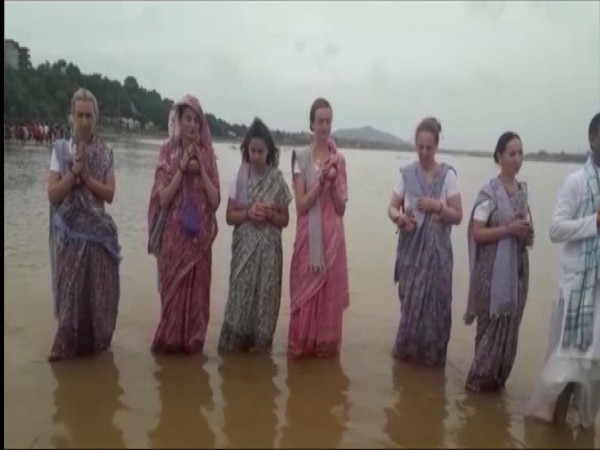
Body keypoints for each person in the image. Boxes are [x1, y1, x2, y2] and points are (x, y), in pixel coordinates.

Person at [526, 112, 600, 429]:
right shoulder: (576, 182)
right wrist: (593, 223)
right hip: (575, 293)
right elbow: (555, 230)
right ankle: (549, 428)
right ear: (592, 139)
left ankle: (582, 430)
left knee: (593, 373)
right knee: (565, 370)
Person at [47, 87, 120, 361]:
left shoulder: (106, 151)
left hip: (99, 239)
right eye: (80, 115)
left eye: (89, 115)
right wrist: (73, 173)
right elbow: (53, 193)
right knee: (69, 303)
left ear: (96, 117)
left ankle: (94, 357)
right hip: (71, 238)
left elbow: (110, 194)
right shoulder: (60, 150)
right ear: (72, 117)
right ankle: (66, 361)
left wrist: (87, 178)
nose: (85, 121)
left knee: (98, 303)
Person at [147, 94, 221, 354]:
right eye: (187, 119)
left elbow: (216, 201)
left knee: (198, 306)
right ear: (178, 121)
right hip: (174, 244)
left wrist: (200, 168)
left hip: (200, 246)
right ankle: (170, 369)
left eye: (196, 121)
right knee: (172, 303)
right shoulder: (167, 151)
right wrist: (180, 168)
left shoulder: (208, 155)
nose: (192, 125)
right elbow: (163, 198)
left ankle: (192, 352)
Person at [387, 117, 463, 366]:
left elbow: (458, 215)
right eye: (420, 147)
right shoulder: (407, 174)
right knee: (410, 307)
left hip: (438, 256)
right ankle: (406, 365)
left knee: (437, 309)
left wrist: (437, 206)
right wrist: (399, 218)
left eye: (429, 147)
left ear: (436, 145)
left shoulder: (447, 176)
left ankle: (432, 360)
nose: (424, 152)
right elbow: (392, 207)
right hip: (411, 253)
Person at [463, 132, 534, 391]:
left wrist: (525, 230)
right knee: (489, 334)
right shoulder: (489, 193)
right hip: (491, 276)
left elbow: (525, 231)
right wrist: (508, 230)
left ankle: (497, 383)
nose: (517, 159)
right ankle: (477, 390)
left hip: (516, 272)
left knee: (509, 330)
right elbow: (477, 232)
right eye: (512, 154)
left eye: (520, 153)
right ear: (499, 157)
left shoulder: (522, 192)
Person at [218, 117, 292, 353]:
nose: (257, 156)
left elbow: (285, 221)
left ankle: (261, 351)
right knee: (240, 302)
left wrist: (271, 214)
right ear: (246, 150)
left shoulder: (278, 180)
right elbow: (229, 216)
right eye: (253, 151)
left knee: (265, 303)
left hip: (269, 257)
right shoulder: (239, 176)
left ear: (269, 151)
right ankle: (235, 359)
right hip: (244, 255)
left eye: (261, 151)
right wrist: (249, 213)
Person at [288, 97, 349, 358]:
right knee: (304, 297)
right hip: (308, 240)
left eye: (328, 121)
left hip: (332, 240)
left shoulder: (339, 161)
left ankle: (325, 350)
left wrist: (332, 182)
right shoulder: (301, 158)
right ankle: (302, 353)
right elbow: (301, 205)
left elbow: (341, 208)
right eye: (320, 121)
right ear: (311, 124)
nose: (325, 126)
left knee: (328, 300)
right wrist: (320, 181)